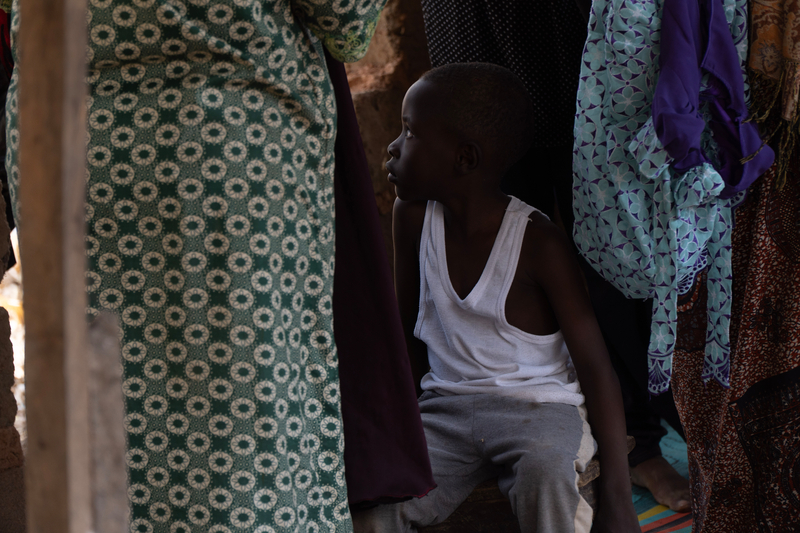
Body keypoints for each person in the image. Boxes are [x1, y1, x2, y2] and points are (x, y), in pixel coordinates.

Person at [6, 1, 388, 531]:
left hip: (61, 133)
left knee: (96, 395)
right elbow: (345, 22)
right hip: (217, 137)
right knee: (239, 420)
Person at [352, 63, 639, 533]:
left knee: (545, 475)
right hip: (444, 409)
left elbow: (595, 367)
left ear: (464, 159)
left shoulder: (538, 242)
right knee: (376, 509)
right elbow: (405, 331)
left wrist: (620, 497)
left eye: (409, 133)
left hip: (540, 409)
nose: (392, 147)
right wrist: (392, 431)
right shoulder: (412, 215)